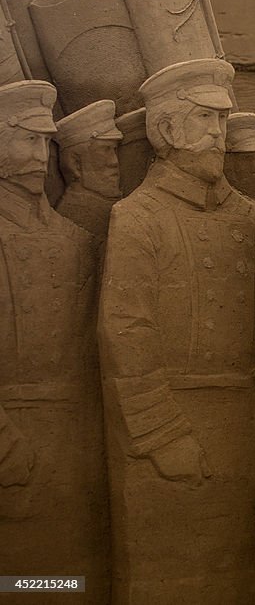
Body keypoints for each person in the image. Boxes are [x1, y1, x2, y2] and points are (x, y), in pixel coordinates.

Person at [98, 59, 255, 602]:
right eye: (207, 120)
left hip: (252, 440)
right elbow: (126, 339)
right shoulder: (138, 219)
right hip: (176, 441)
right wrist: (163, 437)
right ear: (165, 131)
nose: (220, 133)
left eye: (223, 119)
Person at [0, 80, 108, 601]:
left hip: (77, 438)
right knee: (22, 583)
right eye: (23, 140)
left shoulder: (72, 239)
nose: (37, 156)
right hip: (15, 438)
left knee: (72, 579)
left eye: (43, 143)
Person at [55, 98, 123, 239]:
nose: (114, 162)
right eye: (104, 151)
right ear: (75, 164)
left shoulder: (106, 206)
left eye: (114, 150)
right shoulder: (75, 217)